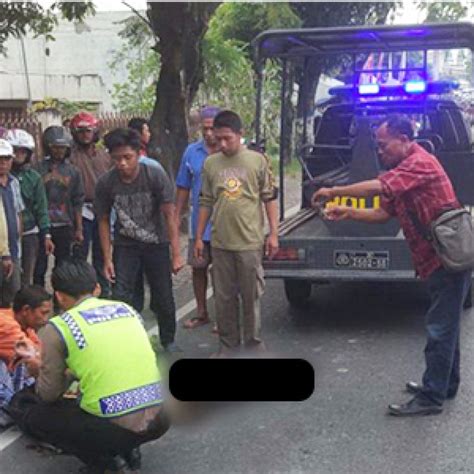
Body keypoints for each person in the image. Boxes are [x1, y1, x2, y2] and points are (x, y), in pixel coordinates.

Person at [312, 114, 471, 417]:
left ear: (404, 140)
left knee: (439, 328)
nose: (379, 151)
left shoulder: (418, 163)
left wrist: (334, 191)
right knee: (446, 325)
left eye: (384, 146)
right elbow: (385, 214)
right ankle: (444, 384)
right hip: (436, 258)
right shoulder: (403, 171)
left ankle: (431, 396)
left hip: (447, 259)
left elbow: (378, 187)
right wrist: (348, 213)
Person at [9, 259, 169, 472]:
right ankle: (129, 449)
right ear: (97, 288)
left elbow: (49, 394)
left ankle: (106, 462)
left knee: (36, 415)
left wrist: (37, 368)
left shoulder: (59, 327)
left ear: (58, 296)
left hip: (113, 425)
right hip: (161, 417)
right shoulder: (127, 309)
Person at [194, 110, 279, 357]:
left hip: (250, 242)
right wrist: (199, 237)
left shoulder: (257, 160)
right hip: (221, 243)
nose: (221, 143)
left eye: (227, 138)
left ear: (240, 135)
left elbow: (269, 198)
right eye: (217, 138)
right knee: (223, 297)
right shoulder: (211, 163)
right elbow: (206, 201)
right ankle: (228, 346)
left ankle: (253, 345)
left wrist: (273, 234)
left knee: (251, 295)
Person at [95, 128, 184, 353]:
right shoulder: (106, 183)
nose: (122, 163)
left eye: (127, 157)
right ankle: (129, 340)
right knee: (124, 296)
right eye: (116, 158)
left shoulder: (154, 175)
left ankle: (168, 340)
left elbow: (169, 214)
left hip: (157, 243)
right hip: (125, 245)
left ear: (138, 153)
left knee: (163, 294)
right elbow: (103, 221)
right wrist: (107, 258)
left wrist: (176, 253)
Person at [176, 106, 220, 330]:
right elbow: (183, 187)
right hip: (199, 226)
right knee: (199, 268)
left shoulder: (228, 151)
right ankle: (202, 312)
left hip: (224, 226)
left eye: (213, 128)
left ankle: (224, 318)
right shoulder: (191, 152)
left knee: (223, 274)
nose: (209, 134)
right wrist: (176, 218)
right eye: (205, 129)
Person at [34, 126, 84, 287]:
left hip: (65, 224)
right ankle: (39, 299)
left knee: (63, 266)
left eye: (62, 147)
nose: (59, 151)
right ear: (48, 147)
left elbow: (78, 201)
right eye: (55, 147)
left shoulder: (73, 171)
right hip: (42, 225)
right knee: (39, 266)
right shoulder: (38, 169)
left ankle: (59, 300)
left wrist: (79, 229)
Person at [69, 112, 112, 297]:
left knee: (102, 253)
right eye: (81, 131)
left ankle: (103, 290)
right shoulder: (70, 156)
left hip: (102, 209)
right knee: (79, 254)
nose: (85, 134)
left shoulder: (104, 155)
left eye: (89, 130)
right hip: (79, 210)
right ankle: (79, 293)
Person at [127, 117, 166, 313]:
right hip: (131, 235)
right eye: (146, 130)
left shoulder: (153, 167)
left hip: (153, 233)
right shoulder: (147, 165)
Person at [7, 129, 54, 285]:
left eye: (23, 151)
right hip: (5, 235)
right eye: (15, 151)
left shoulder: (34, 178)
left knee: (26, 276)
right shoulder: (5, 178)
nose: (19, 155)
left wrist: (46, 234)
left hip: (29, 233)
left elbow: (41, 207)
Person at [0, 286, 52, 415]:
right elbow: (36, 357)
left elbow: (42, 353)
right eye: (43, 313)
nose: (46, 320)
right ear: (26, 310)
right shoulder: (6, 324)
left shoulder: (27, 328)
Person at [0, 139, 24, 307]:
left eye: (7, 158)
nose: (3, 163)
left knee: (12, 294)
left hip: (14, 248)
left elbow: (18, 211)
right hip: (2, 249)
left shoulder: (14, 183)